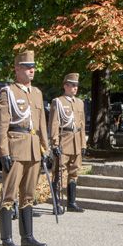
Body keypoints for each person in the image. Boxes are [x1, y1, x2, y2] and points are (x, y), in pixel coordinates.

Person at [0, 50, 49, 246]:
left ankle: (27, 236)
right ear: (17, 69)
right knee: (9, 195)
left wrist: (45, 149)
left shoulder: (37, 93)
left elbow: (42, 124)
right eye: (27, 67)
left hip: (34, 148)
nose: (31, 70)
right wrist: (3, 152)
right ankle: (7, 239)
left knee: (28, 194)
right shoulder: (7, 92)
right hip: (15, 147)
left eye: (33, 67)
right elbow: (1, 125)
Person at [49, 72, 87, 213]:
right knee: (58, 172)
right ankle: (56, 203)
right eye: (72, 85)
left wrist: (83, 144)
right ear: (65, 86)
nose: (75, 88)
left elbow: (82, 124)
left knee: (74, 171)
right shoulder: (58, 102)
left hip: (76, 140)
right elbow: (54, 124)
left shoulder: (80, 103)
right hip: (64, 140)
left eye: (76, 85)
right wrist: (54, 143)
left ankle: (71, 202)